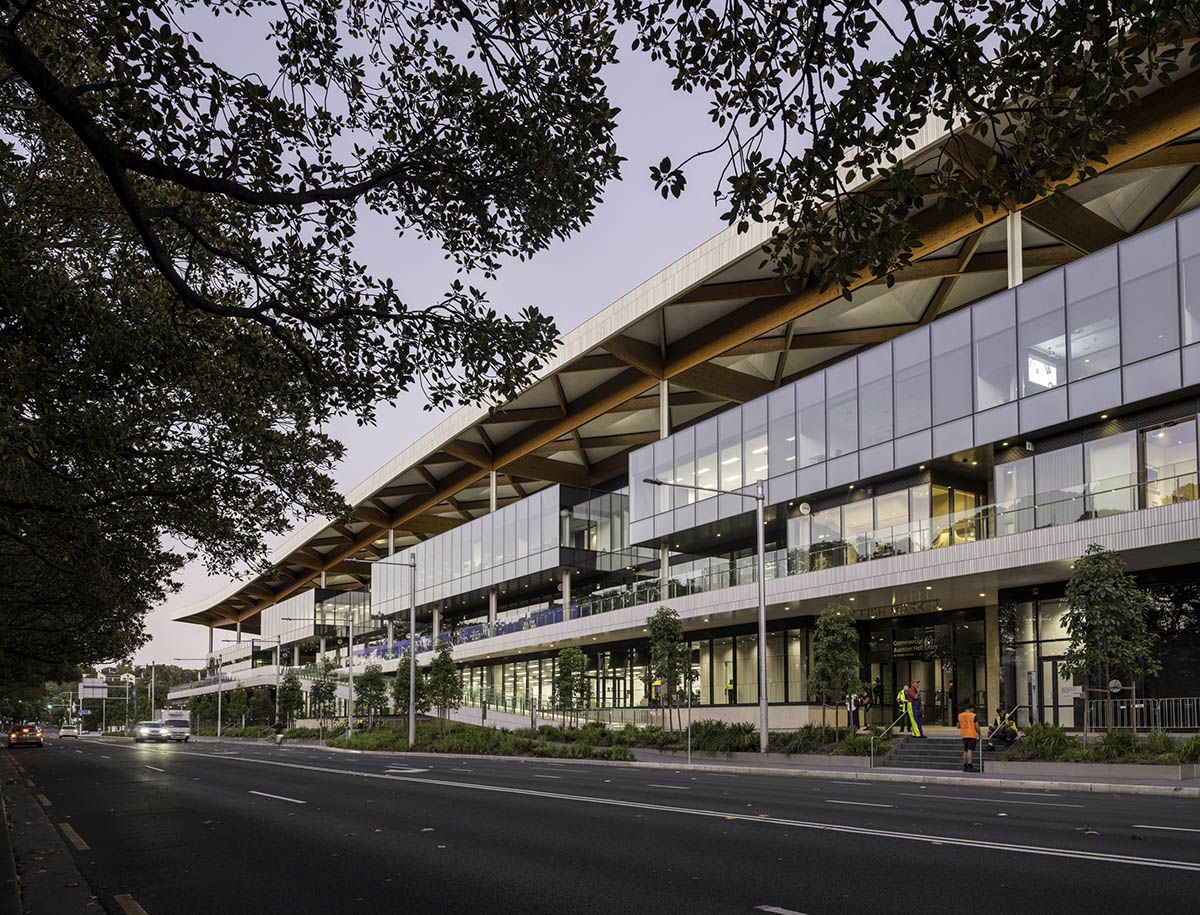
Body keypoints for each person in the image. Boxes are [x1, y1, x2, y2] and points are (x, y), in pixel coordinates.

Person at [957, 702, 979, 772]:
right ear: (971, 709)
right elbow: (977, 726)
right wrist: (979, 734)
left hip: (964, 734)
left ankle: (965, 766)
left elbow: (958, 726)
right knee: (970, 750)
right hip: (971, 734)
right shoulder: (973, 715)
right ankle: (970, 765)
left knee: (965, 750)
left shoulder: (960, 715)